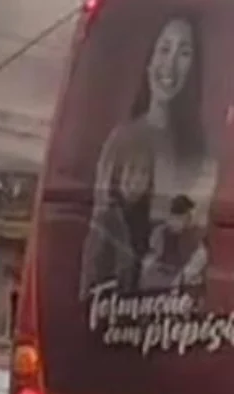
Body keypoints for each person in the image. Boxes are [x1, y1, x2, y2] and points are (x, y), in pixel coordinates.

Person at [84, 14, 214, 294]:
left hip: (180, 322)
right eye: (164, 49)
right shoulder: (121, 141)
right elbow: (98, 242)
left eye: (184, 53)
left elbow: (202, 250)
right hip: (116, 310)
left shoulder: (203, 158)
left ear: (194, 67)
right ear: (149, 60)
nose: (170, 64)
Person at [80, 131, 156, 296]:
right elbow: (91, 283)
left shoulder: (149, 222)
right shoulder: (106, 220)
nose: (137, 179)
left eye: (144, 173)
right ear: (118, 173)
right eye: (131, 170)